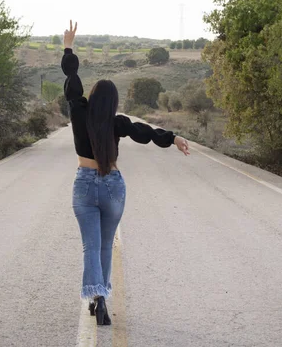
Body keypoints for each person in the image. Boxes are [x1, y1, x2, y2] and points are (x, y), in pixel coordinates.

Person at [61, 21, 190, 326]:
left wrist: (68, 47)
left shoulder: (79, 112)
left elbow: (72, 80)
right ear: (114, 103)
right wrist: (173, 138)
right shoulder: (117, 122)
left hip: (84, 183)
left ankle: (96, 296)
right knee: (106, 245)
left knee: (90, 246)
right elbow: (143, 132)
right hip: (112, 186)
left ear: (92, 97)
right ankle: (102, 297)